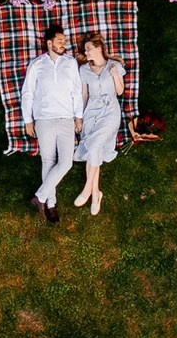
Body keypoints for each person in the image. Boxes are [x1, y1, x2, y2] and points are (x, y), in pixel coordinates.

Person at [18, 20, 82, 224]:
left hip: (65, 119)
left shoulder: (70, 63)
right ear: (49, 43)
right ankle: (50, 204)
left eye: (64, 40)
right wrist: (28, 120)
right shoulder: (37, 64)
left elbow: (77, 91)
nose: (64, 43)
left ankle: (40, 197)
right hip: (43, 119)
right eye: (60, 40)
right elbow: (27, 93)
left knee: (66, 162)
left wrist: (78, 116)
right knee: (48, 161)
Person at [73, 33, 124, 216]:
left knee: (94, 146)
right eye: (85, 49)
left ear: (99, 48)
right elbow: (84, 95)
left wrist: (115, 75)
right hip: (91, 112)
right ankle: (96, 194)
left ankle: (87, 189)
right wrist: (79, 118)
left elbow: (119, 91)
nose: (85, 52)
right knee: (93, 150)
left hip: (110, 111)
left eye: (88, 48)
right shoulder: (84, 70)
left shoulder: (114, 65)